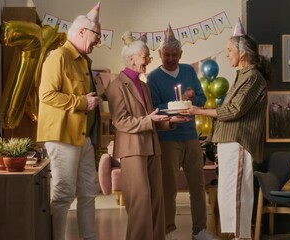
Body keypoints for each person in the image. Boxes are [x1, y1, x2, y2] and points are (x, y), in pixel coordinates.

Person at [182, 19, 272, 240]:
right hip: (230, 143)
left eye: (230, 50)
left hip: (239, 142)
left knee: (237, 194)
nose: (227, 54)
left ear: (242, 54)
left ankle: (242, 237)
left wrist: (199, 111)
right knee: (228, 194)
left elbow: (233, 110)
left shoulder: (252, 78)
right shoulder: (242, 77)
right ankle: (235, 236)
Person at [106, 31, 189, 240]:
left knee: (156, 201)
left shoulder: (143, 85)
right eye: (145, 56)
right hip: (132, 150)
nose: (149, 60)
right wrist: (149, 120)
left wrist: (170, 121)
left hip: (152, 147)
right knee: (140, 202)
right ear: (131, 58)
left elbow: (151, 118)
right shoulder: (116, 85)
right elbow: (120, 121)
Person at [36, 2, 103, 240]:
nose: (99, 41)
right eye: (97, 36)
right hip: (63, 136)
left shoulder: (84, 61)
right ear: (82, 31)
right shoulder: (58, 57)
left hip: (82, 138)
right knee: (64, 194)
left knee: (88, 191)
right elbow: (46, 95)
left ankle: (90, 237)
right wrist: (82, 102)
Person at [147, 24, 219, 240]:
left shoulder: (188, 70)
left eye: (174, 55)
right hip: (168, 138)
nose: (170, 59)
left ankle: (200, 231)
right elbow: (155, 108)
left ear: (181, 54)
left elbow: (201, 99)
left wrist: (191, 98)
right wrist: (172, 114)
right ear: (159, 54)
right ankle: (168, 230)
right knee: (169, 188)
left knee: (198, 186)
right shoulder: (153, 78)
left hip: (190, 136)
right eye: (166, 55)